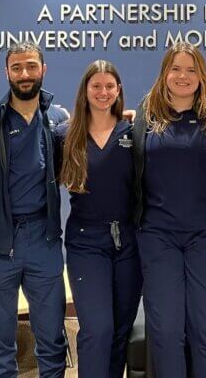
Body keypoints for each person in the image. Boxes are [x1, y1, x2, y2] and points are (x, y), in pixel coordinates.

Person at [0, 41, 69, 378]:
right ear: (7, 72)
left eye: (31, 66)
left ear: (43, 70)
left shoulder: (57, 120)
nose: (24, 74)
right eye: (17, 67)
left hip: (44, 242)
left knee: (51, 337)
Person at [130, 42, 206, 377]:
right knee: (165, 332)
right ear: (165, 73)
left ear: (201, 75)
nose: (183, 76)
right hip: (157, 238)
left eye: (191, 69)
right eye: (176, 69)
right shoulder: (146, 115)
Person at [54, 60, 142, 378]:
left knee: (120, 329)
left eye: (109, 86)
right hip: (86, 241)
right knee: (98, 328)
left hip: (129, 241)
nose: (103, 92)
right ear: (85, 91)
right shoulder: (65, 135)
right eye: (96, 86)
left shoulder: (133, 131)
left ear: (118, 90)